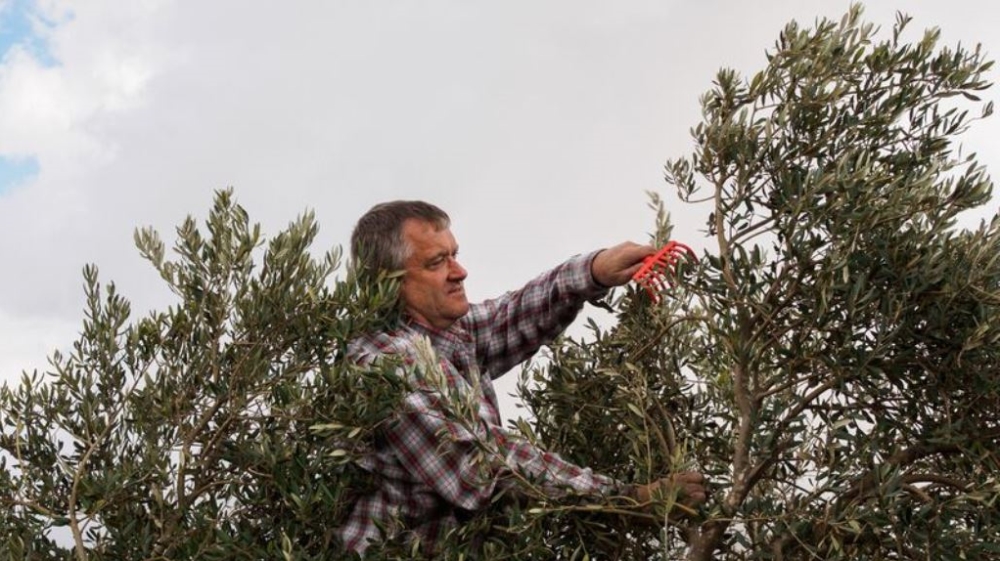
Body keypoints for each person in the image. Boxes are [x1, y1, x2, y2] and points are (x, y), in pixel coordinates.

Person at [339, 200, 707, 555]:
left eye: (455, 254)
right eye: (437, 262)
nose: (459, 271)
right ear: (390, 284)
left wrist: (594, 270)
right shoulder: (383, 365)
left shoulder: (447, 334)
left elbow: (509, 316)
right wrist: (630, 498)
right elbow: (483, 469)